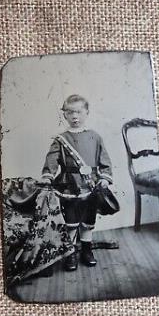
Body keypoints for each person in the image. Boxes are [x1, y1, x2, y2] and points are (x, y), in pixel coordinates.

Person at [41, 94, 113, 271]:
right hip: (69, 185)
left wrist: (104, 178)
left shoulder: (95, 137)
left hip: (91, 186)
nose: (75, 116)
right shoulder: (61, 139)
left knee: (88, 221)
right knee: (71, 222)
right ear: (64, 114)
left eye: (79, 112)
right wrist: (48, 177)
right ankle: (70, 254)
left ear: (87, 113)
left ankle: (87, 251)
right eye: (70, 112)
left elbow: (105, 160)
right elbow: (51, 160)